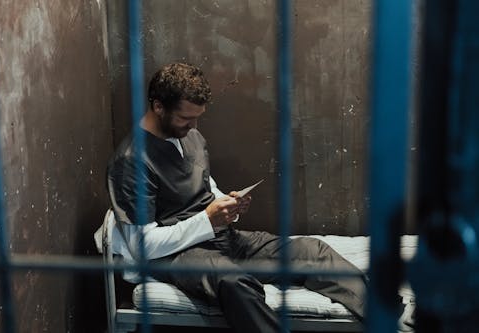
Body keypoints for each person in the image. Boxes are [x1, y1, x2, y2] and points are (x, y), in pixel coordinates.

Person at [106, 62, 367, 333]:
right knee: (235, 282)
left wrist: (228, 203)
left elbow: (205, 186)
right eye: (186, 118)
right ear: (158, 106)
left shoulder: (189, 135)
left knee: (314, 251)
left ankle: (389, 316)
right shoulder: (131, 163)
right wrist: (208, 219)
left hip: (219, 237)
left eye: (197, 117)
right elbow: (142, 247)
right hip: (176, 255)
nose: (194, 125)